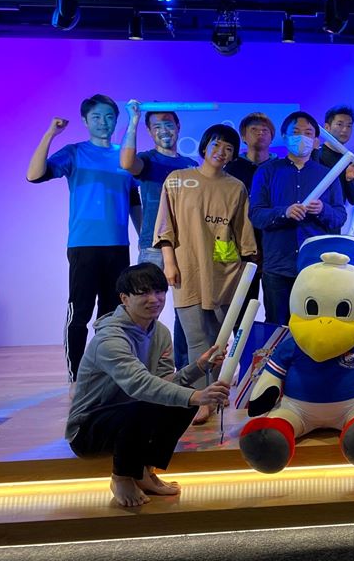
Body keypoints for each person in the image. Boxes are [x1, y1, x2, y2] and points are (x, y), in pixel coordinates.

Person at [66, 263, 231, 507]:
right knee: (148, 405)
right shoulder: (110, 339)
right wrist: (197, 395)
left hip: (131, 417)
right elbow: (139, 385)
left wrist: (198, 367)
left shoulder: (160, 332)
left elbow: (163, 383)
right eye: (143, 292)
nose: (154, 299)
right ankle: (122, 476)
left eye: (159, 291)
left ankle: (144, 471)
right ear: (124, 299)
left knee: (181, 402)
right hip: (88, 430)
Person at [26, 94, 141, 382]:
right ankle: (76, 376)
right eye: (96, 117)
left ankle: (103, 372)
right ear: (85, 121)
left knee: (111, 314)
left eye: (109, 117)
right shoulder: (75, 152)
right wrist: (50, 134)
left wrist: (145, 239)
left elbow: (134, 201)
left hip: (118, 247)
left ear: (116, 120)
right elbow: (34, 175)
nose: (103, 122)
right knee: (80, 312)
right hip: (84, 246)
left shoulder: (124, 157)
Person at [154, 124, 257, 424]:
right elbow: (165, 227)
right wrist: (169, 263)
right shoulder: (178, 179)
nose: (221, 151)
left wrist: (246, 268)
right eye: (216, 144)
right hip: (186, 269)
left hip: (224, 272)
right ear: (204, 146)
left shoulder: (236, 187)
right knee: (196, 338)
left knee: (220, 339)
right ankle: (201, 398)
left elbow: (243, 234)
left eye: (228, 148)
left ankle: (216, 395)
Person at [119, 101, 198, 368]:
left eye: (168, 124)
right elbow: (127, 162)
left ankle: (184, 369)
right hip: (153, 246)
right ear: (149, 131)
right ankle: (140, 367)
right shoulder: (148, 160)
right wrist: (133, 120)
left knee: (185, 310)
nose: (164, 130)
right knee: (144, 307)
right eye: (156, 126)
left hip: (185, 247)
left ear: (178, 127)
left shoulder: (190, 165)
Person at [249, 111, 346, 325]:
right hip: (278, 266)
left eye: (308, 133)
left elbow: (340, 217)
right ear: (284, 136)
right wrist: (284, 212)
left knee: (315, 325)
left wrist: (322, 209)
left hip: (316, 266)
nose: (302, 137)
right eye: (295, 132)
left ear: (316, 140)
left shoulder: (327, 175)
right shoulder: (267, 172)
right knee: (277, 326)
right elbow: (256, 214)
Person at [225, 112, 277, 326]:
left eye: (265, 130)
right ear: (243, 136)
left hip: (273, 246)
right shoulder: (231, 167)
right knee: (239, 308)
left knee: (276, 310)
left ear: (272, 137)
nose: (260, 133)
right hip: (239, 247)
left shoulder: (279, 167)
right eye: (254, 129)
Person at [320, 104, 354, 205]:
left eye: (349, 126)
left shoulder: (349, 159)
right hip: (316, 212)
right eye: (340, 124)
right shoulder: (316, 154)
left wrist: (348, 179)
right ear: (327, 127)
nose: (345, 130)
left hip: (338, 213)